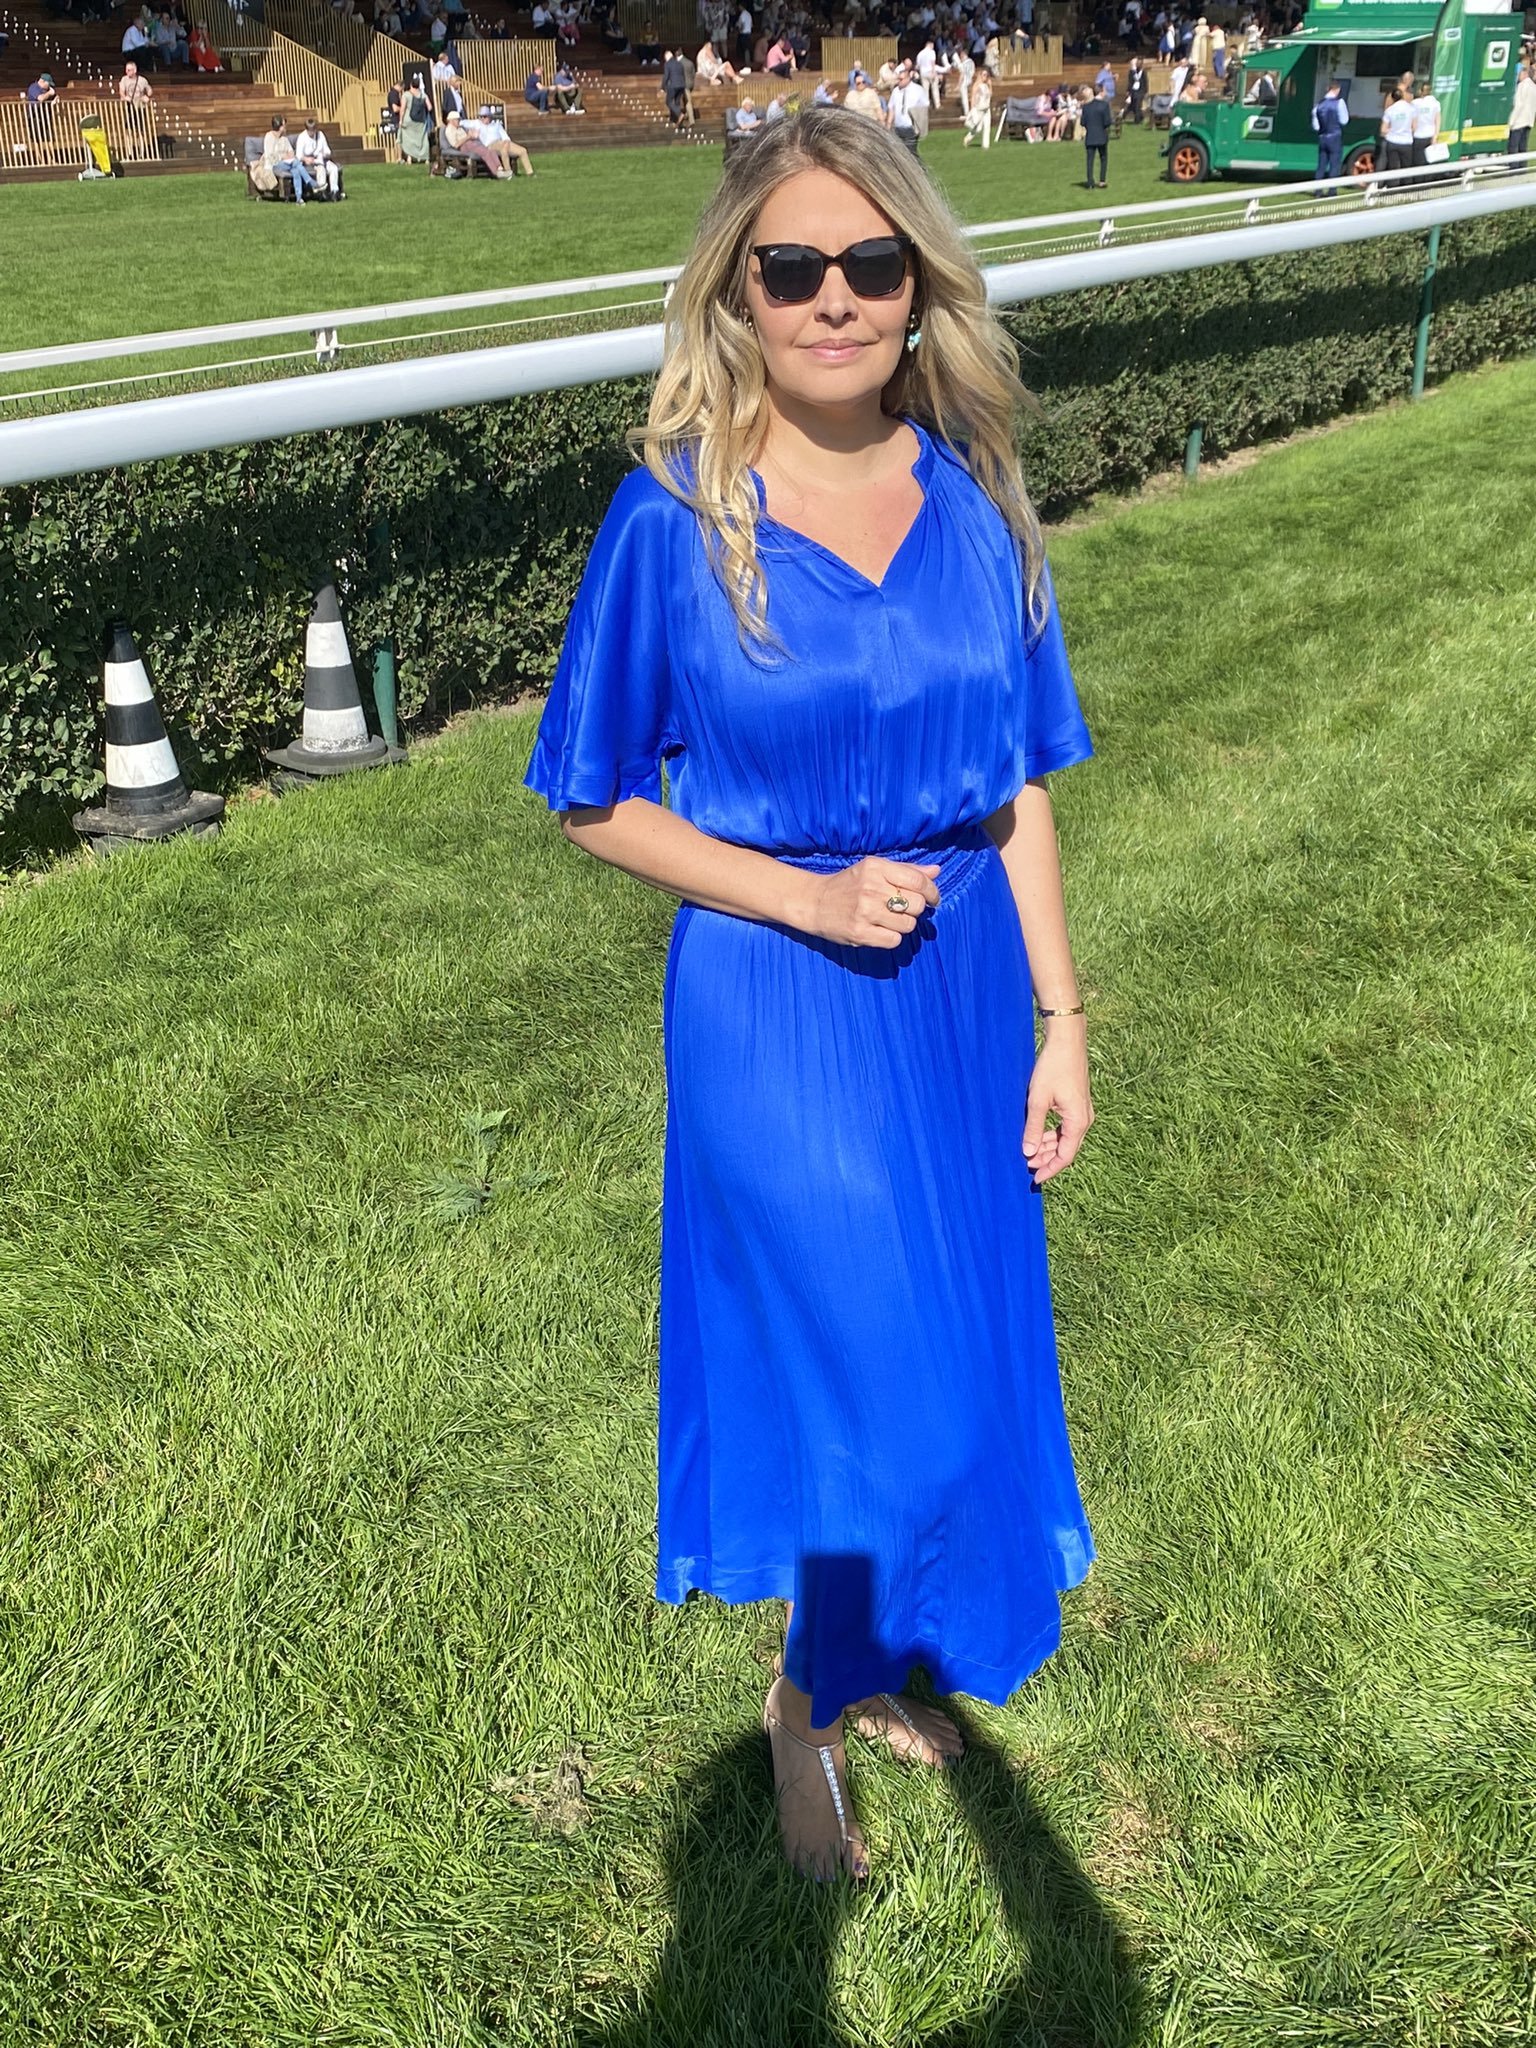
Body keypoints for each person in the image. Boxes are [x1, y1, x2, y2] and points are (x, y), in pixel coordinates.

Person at [523, 105, 1097, 1888]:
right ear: (736, 294)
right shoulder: (673, 520)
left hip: (961, 997)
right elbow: (591, 798)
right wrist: (805, 893)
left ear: (919, 288)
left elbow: (1017, 784)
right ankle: (803, 1705)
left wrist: (1065, 1019)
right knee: (884, 1391)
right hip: (775, 1003)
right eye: (792, 268)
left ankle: (863, 1654)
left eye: (871, 262)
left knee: (948, 1370)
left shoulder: (978, 504)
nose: (834, 298)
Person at [442, 108, 513, 175]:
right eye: (457, 119)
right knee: (485, 152)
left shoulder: (459, 128)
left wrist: (472, 135)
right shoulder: (449, 130)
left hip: (470, 143)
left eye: (459, 119)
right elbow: (455, 145)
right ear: (451, 120)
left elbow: (468, 133)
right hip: (463, 146)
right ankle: (496, 172)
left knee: (490, 150)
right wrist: (468, 137)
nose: (458, 121)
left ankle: (499, 168)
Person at [1312, 76, 1348, 193]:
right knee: (1334, 165)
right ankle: (1332, 191)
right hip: (1335, 136)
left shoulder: (1319, 104)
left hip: (1322, 137)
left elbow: (1316, 126)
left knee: (1321, 165)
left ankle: (1318, 191)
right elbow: (1344, 121)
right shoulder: (1339, 103)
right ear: (1337, 89)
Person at [294, 113, 342, 196]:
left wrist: (325, 154)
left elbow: (327, 150)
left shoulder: (320, 135)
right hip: (310, 162)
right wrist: (306, 159)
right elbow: (298, 155)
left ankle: (334, 191)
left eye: (313, 130)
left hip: (322, 159)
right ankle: (321, 191)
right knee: (321, 169)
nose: (312, 132)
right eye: (310, 130)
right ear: (307, 129)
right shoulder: (302, 137)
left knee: (333, 168)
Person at [474, 104, 534, 171]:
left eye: (484, 116)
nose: (482, 118)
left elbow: (505, 136)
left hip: (503, 143)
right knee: (504, 150)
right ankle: (508, 171)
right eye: (481, 116)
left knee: (523, 150)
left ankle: (530, 172)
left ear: (489, 116)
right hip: (490, 145)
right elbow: (465, 123)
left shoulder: (496, 125)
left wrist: (506, 142)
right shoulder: (478, 125)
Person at [885, 59, 926, 151]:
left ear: (908, 78)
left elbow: (924, 107)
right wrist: (888, 125)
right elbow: (891, 108)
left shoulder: (918, 90)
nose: (899, 81)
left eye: (901, 79)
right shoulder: (895, 91)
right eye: (898, 79)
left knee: (911, 153)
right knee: (898, 153)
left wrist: (920, 126)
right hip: (897, 128)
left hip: (910, 128)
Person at [117, 60, 154, 154]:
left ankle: (142, 152)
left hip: (140, 107)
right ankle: (130, 152)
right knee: (128, 130)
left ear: (135, 70)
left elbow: (149, 90)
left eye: (129, 70)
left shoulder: (142, 80)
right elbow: (121, 91)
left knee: (140, 131)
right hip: (130, 107)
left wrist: (147, 96)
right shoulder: (124, 79)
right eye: (126, 69)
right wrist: (124, 97)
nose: (127, 72)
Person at [1080, 78, 1112, 186]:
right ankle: (1102, 180)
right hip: (1101, 135)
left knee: (1090, 160)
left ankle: (1090, 181)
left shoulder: (1086, 107)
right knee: (1103, 158)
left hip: (1090, 136)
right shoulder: (1104, 105)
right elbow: (1107, 122)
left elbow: (1083, 122)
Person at [1379, 82, 1413, 174]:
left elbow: (1383, 129)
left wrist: (1391, 130)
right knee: (1405, 169)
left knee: (1393, 167)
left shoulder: (1390, 109)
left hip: (1393, 140)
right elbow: (1414, 127)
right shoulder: (1410, 108)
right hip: (1403, 141)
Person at [1409, 77, 1440, 169]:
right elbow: (1437, 121)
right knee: (1430, 161)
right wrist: (1435, 136)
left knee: (1418, 162)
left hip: (1417, 135)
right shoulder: (1435, 103)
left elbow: (1412, 120)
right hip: (1430, 135)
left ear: (1420, 91)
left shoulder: (1414, 103)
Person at [1510, 62, 1536, 165]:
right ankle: (1522, 168)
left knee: (1513, 148)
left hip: (1519, 122)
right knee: (1523, 147)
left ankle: (1513, 169)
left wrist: (1511, 122)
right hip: (1528, 121)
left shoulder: (1522, 86)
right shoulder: (1533, 86)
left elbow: (1518, 105)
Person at [961, 63, 993, 145]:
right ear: (980, 75)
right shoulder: (977, 85)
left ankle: (986, 145)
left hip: (986, 108)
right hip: (979, 108)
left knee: (987, 126)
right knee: (978, 128)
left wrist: (990, 86)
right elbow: (973, 97)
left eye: (987, 75)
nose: (985, 77)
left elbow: (990, 95)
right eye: (984, 75)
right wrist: (972, 109)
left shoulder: (986, 85)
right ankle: (967, 138)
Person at [1126, 54, 1147, 121]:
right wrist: (1128, 90)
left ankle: (1137, 119)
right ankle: (1141, 117)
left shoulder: (1143, 72)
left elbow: (1145, 82)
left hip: (1140, 91)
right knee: (1134, 105)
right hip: (1133, 91)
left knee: (1137, 105)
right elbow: (1130, 82)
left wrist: (1145, 91)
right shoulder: (1132, 72)